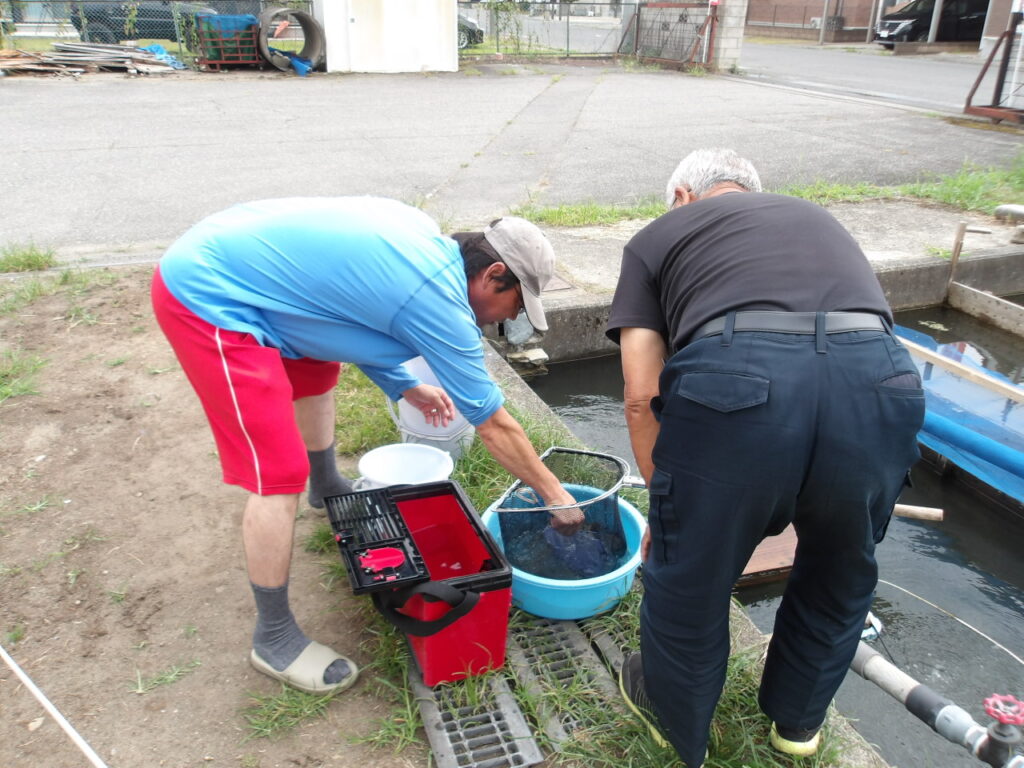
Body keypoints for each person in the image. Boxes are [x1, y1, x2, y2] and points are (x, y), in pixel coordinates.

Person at [151, 196, 582, 696]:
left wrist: (400, 382)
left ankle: (328, 487)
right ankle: (272, 638)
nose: (507, 322)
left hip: (249, 270)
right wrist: (556, 495)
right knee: (276, 475)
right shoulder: (438, 297)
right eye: (515, 306)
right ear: (493, 275)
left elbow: (348, 317)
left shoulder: (424, 244)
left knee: (317, 367)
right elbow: (494, 424)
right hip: (208, 293)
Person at [605, 149, 925, 766]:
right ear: (754, 191)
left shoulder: (658, 236)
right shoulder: (815, 217)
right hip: (881, 384)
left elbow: (643, 395)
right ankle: (797, 729)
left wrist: (667, 511)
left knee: (691, 576)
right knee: (839, 566)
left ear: (681, 194)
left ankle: (680, 732)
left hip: (740, 382)